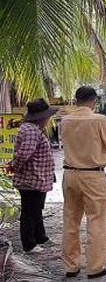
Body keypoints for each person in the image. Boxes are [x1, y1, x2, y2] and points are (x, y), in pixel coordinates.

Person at [61, 86, 106, 278]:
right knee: (96, 220)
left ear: (76, 100)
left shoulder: (65, 120)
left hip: (70, 174)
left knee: (70, 219)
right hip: (93, 175)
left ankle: (71, 265)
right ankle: (95, 267)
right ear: (94, 101)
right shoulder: (99, 120)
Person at [9, 99, 58, 253]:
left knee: (36, 209)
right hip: (31, 178)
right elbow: (24, 155)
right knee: (30, 211)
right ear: (41, 117)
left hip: (37, 178)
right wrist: (15, 168)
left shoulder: (33, 129)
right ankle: (29, 244)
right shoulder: (30, 130)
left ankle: (40, 237)